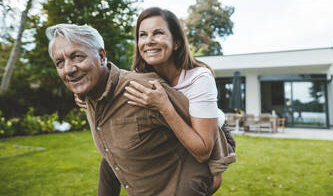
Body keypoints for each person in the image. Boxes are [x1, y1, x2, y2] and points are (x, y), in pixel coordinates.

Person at [46, 23, 219, 196]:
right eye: (59, 62)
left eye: (77, 57)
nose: (68, 69)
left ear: (101, 56)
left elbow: (210, 132)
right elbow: (111, 155)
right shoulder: (89, 99)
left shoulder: (145, 89)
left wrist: (215, 176)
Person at [124, 7, 236, 193]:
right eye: (142, 35)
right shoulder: (139, 78)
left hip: (209, 138)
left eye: (158, 33)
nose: (149, 41)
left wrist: (164, 106)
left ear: (176, 42)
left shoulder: (198, 78)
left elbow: (202, 152)